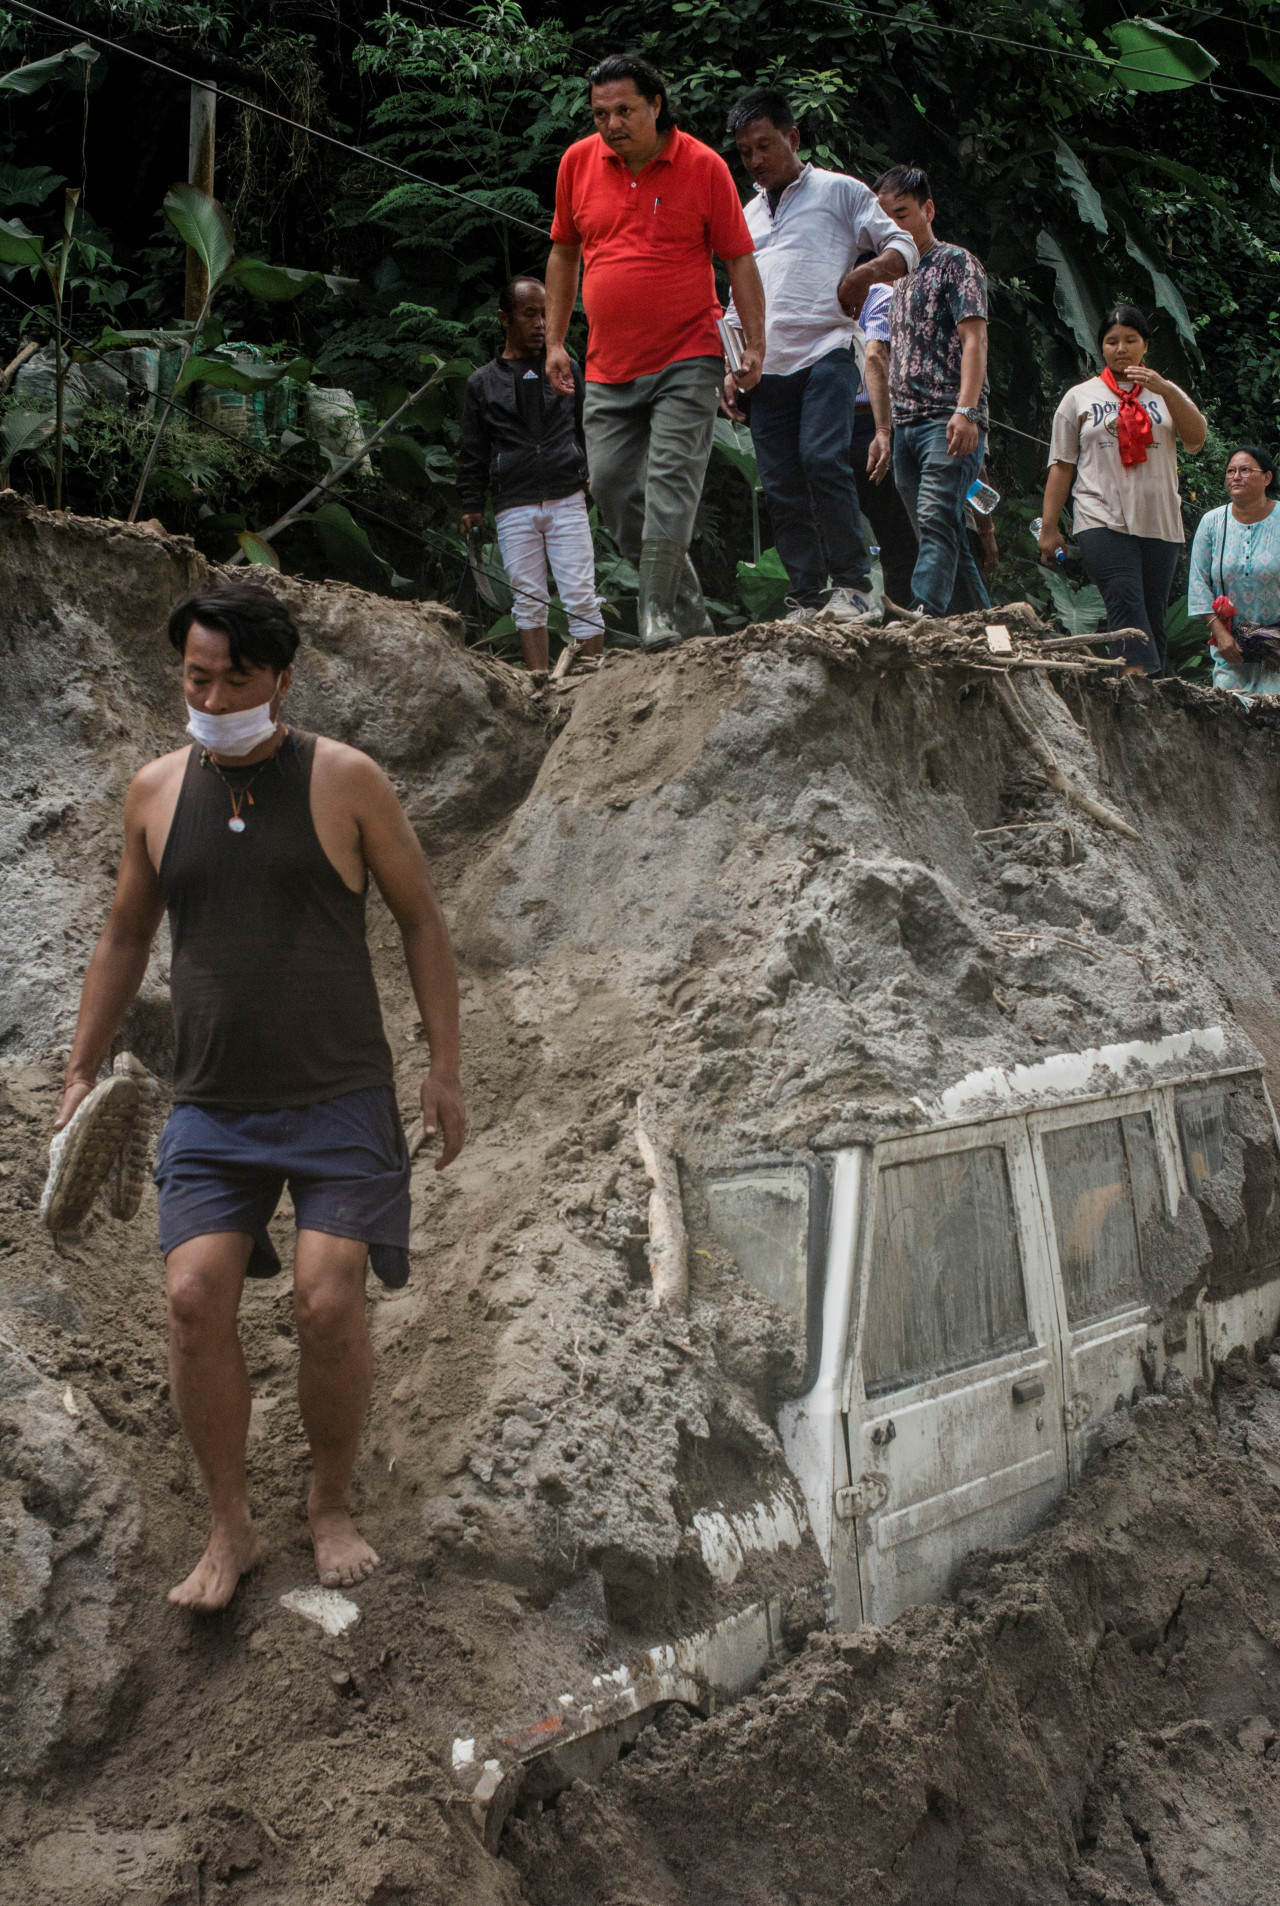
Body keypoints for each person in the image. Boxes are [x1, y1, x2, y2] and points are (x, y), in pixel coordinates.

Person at [51, 584, 466, 1612]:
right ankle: (228, 1521)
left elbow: (420, 921)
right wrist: (80, 1066)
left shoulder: (344, 780)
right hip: (211, 1100)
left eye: (236, 676)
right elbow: (124, 936)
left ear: (281, 677)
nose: (214, 692)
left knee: (328, 1303)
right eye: (197, 674)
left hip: (338, 1094)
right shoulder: (153, 790)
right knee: (193, 1300)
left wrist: (442, 1066)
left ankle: (328, 1503)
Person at [544, 53, 766, 651]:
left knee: (671, 481)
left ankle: (655, 618)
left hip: (688, 353)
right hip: (608, 363)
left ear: (655, 105)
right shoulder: (577, 164)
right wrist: (556, 340)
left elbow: (738, 259)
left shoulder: (704, 166)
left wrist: (754, 343)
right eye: (599, 114)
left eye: (624, 111)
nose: (611, 124)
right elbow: (564, 254)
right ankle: (689, 620)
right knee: (614, 490)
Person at [721, 87, 917, 625]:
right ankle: (808, 597)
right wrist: (731, 365)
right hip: (765, 366)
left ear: (793, 137)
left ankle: (854, 587)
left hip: (828, 351)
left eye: (765, 146)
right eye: (745, 152)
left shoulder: (841, 191)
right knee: (780, 482)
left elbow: (904, 247)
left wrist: (863, 273)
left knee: (821, 458)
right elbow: (737, 298)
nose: (756, 161)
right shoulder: (747, 214)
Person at [1039, 303, 1207, 675]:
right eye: (1112, 341)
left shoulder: (1164, 392)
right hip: (1101, 518)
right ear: (1101, 348)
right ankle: (1135, 691)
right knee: (1125, 603)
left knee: (1152, 614)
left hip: (1160, 522)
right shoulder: (1079, 397)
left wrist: (1163, 388)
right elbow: (1061, 465)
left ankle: (1152, 697)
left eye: (1130, 340)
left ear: (1145, 345)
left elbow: (1196, 438)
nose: (1121, 348)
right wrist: (1049, 527)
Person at [458, 275, 604, 673]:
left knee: (580, 595)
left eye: (546, 314)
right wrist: (472, 504)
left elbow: (587, 426)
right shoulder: (482, 383)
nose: (540, 323)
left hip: (567, 494)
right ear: (505, 318)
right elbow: (473, 450)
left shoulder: (566, 367)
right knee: (528, 598)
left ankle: (595, 684)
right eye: (529, 314)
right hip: (513, 503)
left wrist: (593, 474)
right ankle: (539, 683)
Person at [874, 164, 992, 618]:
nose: (895, 227)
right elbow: (881, 356)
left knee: (935, 518)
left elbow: (974, 339)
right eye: (887, 219)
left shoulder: (956, 263)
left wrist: (966, 410)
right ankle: (985, 631)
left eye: (903, 214)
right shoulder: (895, 276)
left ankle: (922, 611)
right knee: (939, 534)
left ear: (928, 210)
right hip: (905, 424)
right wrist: (884, 427)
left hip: (948, 418)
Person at [1188, 444, 1280, 699]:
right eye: (1230, 471)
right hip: (1232, 651)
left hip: (1278, 651)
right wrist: (1220, 634)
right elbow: (1197, 584)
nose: (1236, 476)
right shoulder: (1212, 523)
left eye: (1245, 470)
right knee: (1231, 716)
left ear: (1267, 478)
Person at [856, 278, 919, 613]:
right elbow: (876, 356)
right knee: (899, 537)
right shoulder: (883, 294)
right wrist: (884, 429)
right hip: (874, 423)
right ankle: (901, 620)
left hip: (831, 424)